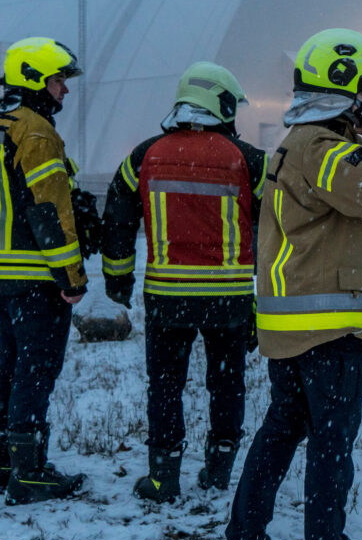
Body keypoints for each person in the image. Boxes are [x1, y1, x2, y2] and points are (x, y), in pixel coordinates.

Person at [222, 28, 362, 540]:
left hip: (296, 324)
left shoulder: (306, 145)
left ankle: (244, 538)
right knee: (331, 444)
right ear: (344, 83)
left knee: (282, 429)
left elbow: (342, 217)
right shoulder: (318, 144)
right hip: (324, 330)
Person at [101, 61, 267, 503]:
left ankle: (163, 478)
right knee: (228, 384)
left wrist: (118, 279)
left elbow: (117, 216)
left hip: (166, 295)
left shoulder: (144, 155)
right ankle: (218, 471)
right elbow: (280, 222)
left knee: (166, 385)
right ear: (223, 104)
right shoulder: (250, 160)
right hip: (228, 298)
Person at [0, 37, 88, 505]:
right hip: (35, 276)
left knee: (9, 363)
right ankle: (30, 472)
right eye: (59, 80)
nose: (64, 91)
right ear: (37, 79)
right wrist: (71, 277)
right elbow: (49, 209)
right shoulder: (36, 130)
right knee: (36, 369)